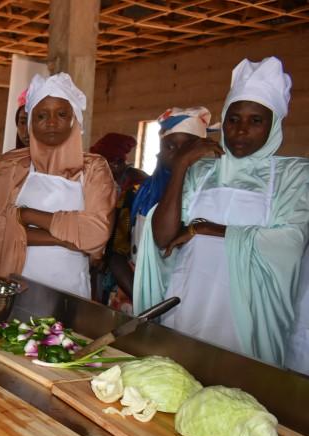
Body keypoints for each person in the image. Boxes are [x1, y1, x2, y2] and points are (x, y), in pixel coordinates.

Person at [134, 57, 309, 368]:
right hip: (187, 300)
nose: (241, 130)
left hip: (246, 316)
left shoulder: (293, 176)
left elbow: (290, 242)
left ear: (273, 125)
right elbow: (162, 237)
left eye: (256, 121)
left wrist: (205, 229)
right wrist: (183, 166)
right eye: (233, 119)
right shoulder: (201, 171)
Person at [0, 73, 116, 298]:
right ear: (30, 122)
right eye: (41, 115)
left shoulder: (94, 168)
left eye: (62, 114)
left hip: (71, 289)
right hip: (16, 287)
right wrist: (71, 239)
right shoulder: (9, 167)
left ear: (75, 118)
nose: (51, 122)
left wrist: (25, 215)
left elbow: (96, 234)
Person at [130, 107, 217, 266]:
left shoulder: (209, 192)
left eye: (187, 149)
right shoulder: (142, 191)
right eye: (170, 147)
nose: (179, 156)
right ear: (160, 149)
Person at [89, 133, 143, 311]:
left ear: (116, 164)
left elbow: (120, 238)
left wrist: (104, 255)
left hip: (129, 267)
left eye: (100, 164)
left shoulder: (135, 187)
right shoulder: (117, 181)